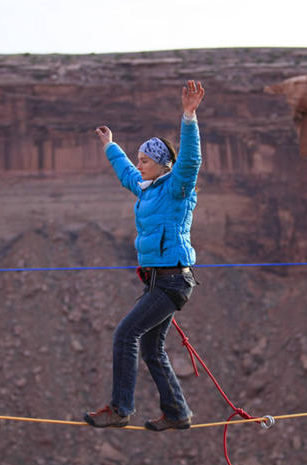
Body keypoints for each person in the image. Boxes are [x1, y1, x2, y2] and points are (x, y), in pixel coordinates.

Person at [84, 80, 205, 432]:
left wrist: (189, 115)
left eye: (145, 161)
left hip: (172, 281)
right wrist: (111, 146)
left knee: (125, 335)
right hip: (158, 282)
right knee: (152, 349)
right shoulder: (146, 188)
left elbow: (191, 160)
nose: (139, 166)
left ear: (162, 163)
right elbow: (125, 174)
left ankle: (121, 408)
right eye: (139, 160)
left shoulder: (176, 188)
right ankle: (178, 413)